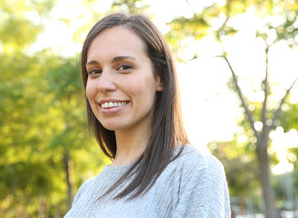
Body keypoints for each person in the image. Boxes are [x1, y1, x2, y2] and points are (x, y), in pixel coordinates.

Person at [64, 13, 231, 218]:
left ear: (159, 77)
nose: (104, 84)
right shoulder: (86, 192)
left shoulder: (193, 170)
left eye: (124, 67)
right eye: (94, 71)